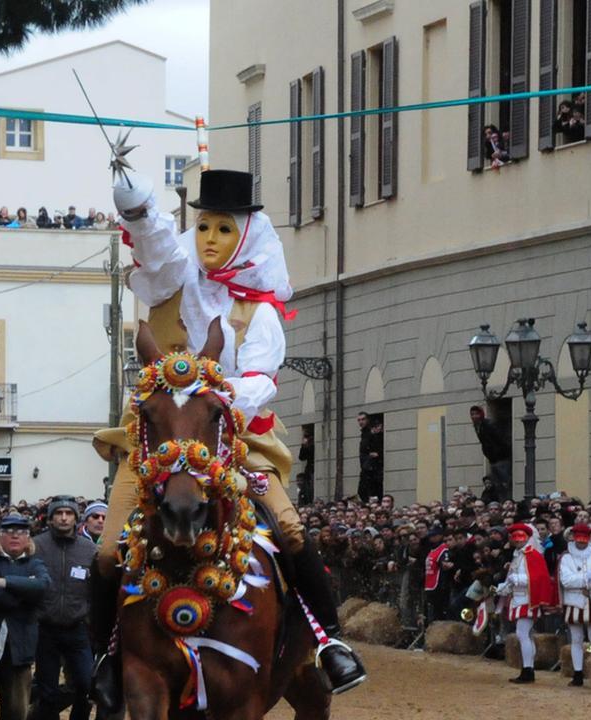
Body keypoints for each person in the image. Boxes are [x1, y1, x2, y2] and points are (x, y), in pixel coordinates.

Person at [96, 167, 365, 699]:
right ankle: (105, 654)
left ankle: (330, 642)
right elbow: (152, 242)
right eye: (203, 228)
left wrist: (214, 399)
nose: (210, 241)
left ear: (244, 233)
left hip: (236, 445)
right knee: (107, 552)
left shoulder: (260, 311)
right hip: (158, 448)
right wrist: (135, 202)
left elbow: (263, 378)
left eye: (223, 229)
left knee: (288, 531)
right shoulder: (174, 276)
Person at [0, 513, 50, 720]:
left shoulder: (35, 563)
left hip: (20, 647)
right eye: (9, 531)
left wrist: (5, 582)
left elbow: (43, 586)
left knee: (17, 712)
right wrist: (25, 593)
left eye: (21, 532)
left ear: (28, 538)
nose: (15, 536)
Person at [29, 498, 97, 720]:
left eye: (69, 513)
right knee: (46, 689)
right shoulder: (36, 545)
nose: (64, 517)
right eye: (59, 513)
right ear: (50, 518)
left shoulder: (89, 550)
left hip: (77, 628)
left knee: (86, 683)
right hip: (45, 628)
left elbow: (96, 587)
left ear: (77, 520)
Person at [498, 523, 556, 684]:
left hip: (528, 599)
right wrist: (504, 587)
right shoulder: (518, 555)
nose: (517, 540)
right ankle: (527, 668)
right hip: (518, 598)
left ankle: (528, 670)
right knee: (526, 635)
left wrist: (515, 580)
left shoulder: (533, 555)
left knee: (522, 634)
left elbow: (537, 578)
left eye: (520, 536)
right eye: (514, 537)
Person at [558, 523, 591, 687]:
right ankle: (577, 673)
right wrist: (586, 579)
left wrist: (588, 582)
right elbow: (566, 581)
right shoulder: (566, 558)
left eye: (585, 538)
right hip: (573, 602)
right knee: (576, 639)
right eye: (579, 538)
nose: (582, 542)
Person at [470, 406, 511, 501]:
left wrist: (499, 453)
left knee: (504, 483)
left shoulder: (488, 424)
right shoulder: (478, 426)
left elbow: (499, 439)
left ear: (481, 414)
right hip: (493, 458)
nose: (474, 416)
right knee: (497, 484)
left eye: (476, 414)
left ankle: (505, 501)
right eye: (472, 414)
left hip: (500, 458)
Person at [422, 526, 453, 621]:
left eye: (434, 535)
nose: (432, 538)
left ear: (440, 536)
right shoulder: (432, 550)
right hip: (430, 585)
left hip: (439, 587)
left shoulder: (443, 549)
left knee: (439, 613)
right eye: (430, 536)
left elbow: (445, 564)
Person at [357, 413, 383, 502]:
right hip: (366, 466)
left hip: (373, 467)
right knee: (362, 491)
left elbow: (378, 446)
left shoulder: (372, 432)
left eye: (363, 419)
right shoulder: (364, 433)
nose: (361, 422)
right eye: (359, 420)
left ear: (367, 420)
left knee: (373, 491)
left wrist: (377, 454)